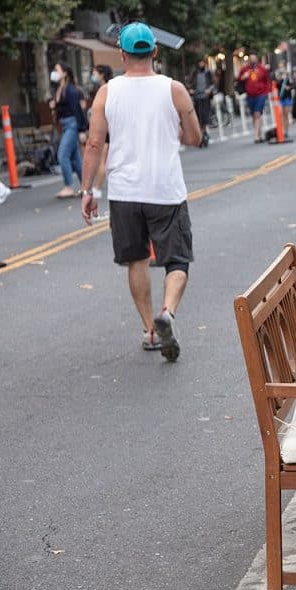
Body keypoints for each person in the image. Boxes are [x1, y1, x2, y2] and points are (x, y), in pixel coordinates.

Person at [80, 22, 202, 361]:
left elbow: (93, 143)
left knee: (136, 259)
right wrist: (172, 129)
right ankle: (168, 313)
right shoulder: (174, 89)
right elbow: (194, 138)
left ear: (121, 54)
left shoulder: (107, 92)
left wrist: (87, 190)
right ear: (155, 51)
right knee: (177, 259)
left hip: (124, 191)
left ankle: (150, 328)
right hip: (165, 188)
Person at [49, 61, 88, 199]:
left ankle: (68, 187)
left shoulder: (71, 90)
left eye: (57, 70)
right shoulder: (59, 89)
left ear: (64, 73)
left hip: (72, 124)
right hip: (65, 125)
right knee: (75, 158)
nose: (54, 72)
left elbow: (78, 110)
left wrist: (82, 129)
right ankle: (86, 186)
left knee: (62, 155)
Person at [86, 65, 114, 200]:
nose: (93, 76)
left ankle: (97, 188)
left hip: (106, 126)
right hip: (105, 125)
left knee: (102, 159)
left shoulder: (107, 89)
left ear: (102, 74)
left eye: (95, 73)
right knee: (103, 159)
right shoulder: (103, 89)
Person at [237, 53, 271, 143]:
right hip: (250, 95)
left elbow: (267, 81)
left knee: (257, 114)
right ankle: (259, 135)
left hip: (261, 94)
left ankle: (256, 136)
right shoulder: (244, 69)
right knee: (254, 115)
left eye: (254, 58)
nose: (252, 60)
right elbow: (239, 79)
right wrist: (243, 77)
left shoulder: (262, 69)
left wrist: (267, 91)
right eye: (251, 58)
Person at [188, 59, 214, 148]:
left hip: (205, 97)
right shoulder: (195, 73)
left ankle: (205, 131)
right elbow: (189, 83)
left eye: (202, 63)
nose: (201, 64)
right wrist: (191, 90)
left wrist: (209, 90)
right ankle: (200, 133)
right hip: (197, 97)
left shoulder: (208, 72)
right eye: (200, 63)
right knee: (198, 116)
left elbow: (213, 84)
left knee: (205, 115)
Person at [274, 61, 293, 141]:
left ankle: (286, 131)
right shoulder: (277, 76)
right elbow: (275, 85)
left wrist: (289, 87)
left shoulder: (288, 76)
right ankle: (281, 130)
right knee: (281, 114)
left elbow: (292, 84)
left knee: (286, 114)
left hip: (287, 97)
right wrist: (279, 78)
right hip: (280, 97)